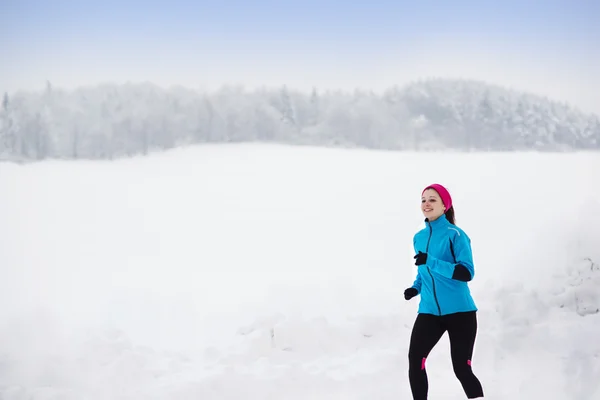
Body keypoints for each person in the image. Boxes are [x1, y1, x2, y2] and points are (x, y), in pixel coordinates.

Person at [404, 183, 484, 399]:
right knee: (415, 360)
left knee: (462, 369)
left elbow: (466, 272)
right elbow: (423, 272)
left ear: (444, 206)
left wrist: (432, 261)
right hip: (429, 312)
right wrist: (415, 288)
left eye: (432, 199)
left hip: (460, 313)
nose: (426, 204)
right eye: (423, 200)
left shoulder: (456, 235)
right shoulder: (418, 238)